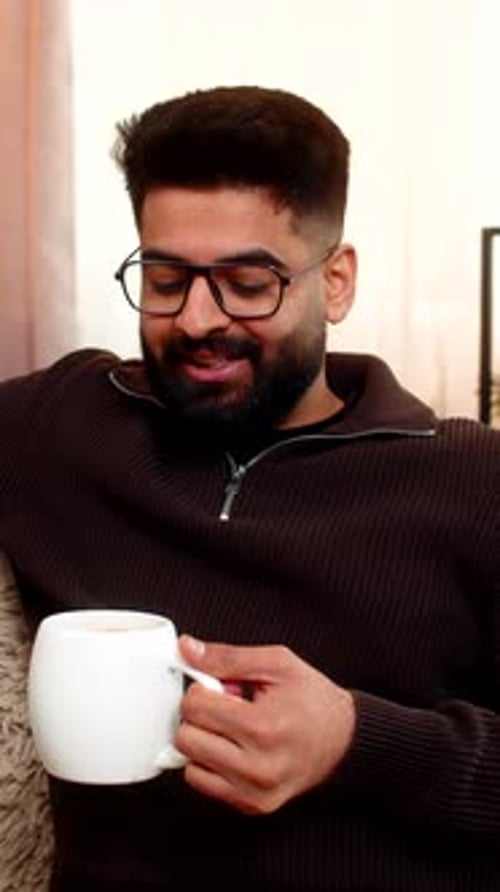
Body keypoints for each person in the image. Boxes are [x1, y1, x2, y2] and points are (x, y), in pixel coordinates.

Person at [0, 85, 499, 892]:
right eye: (166, 278)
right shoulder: (61, 423)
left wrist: (357, 742)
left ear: (335, 282)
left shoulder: (472, 480)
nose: (198, 319)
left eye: (247, 280)